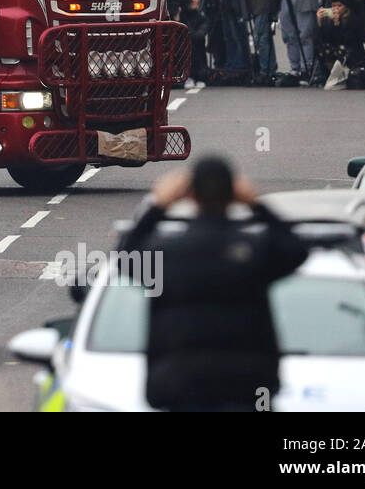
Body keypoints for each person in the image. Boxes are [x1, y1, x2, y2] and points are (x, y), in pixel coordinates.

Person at [117, 157, 310, 411]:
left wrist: (158, 206)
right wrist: (256, 205)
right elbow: (296, 249)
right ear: (233, 194)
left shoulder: (167, 254)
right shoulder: (254, 251)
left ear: (190, 195)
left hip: (180, 388)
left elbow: (126, 256)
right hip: (245, 388)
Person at [313, 0, 365, 86]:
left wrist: (338, 24)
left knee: (342, 50)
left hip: (352, 51)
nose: (336, 9)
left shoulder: (354, 19)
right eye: (334, 6)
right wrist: (319, 22)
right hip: (335, 49)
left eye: (339, 6)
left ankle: (342, 75)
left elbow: (350, 39)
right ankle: (332, 74)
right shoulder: (329, 18)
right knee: (323, 49)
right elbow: (321, 39)